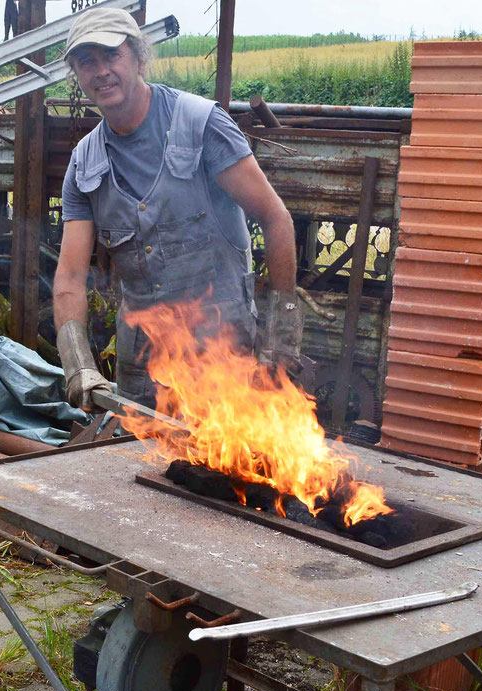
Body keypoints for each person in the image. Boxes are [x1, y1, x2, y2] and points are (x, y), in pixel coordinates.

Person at [52, 8, 302, 411]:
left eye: (111, 55)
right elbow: (70, 276)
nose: (101, 71)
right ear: (76, 75)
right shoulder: (85, 164)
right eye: (87, 62)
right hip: (143, 371)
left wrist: (282, 334)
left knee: (226, 468)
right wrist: (78, 364)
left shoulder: (200, 125)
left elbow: (276, 218)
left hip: (223, 358)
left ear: (137, 57)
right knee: (134, 469)